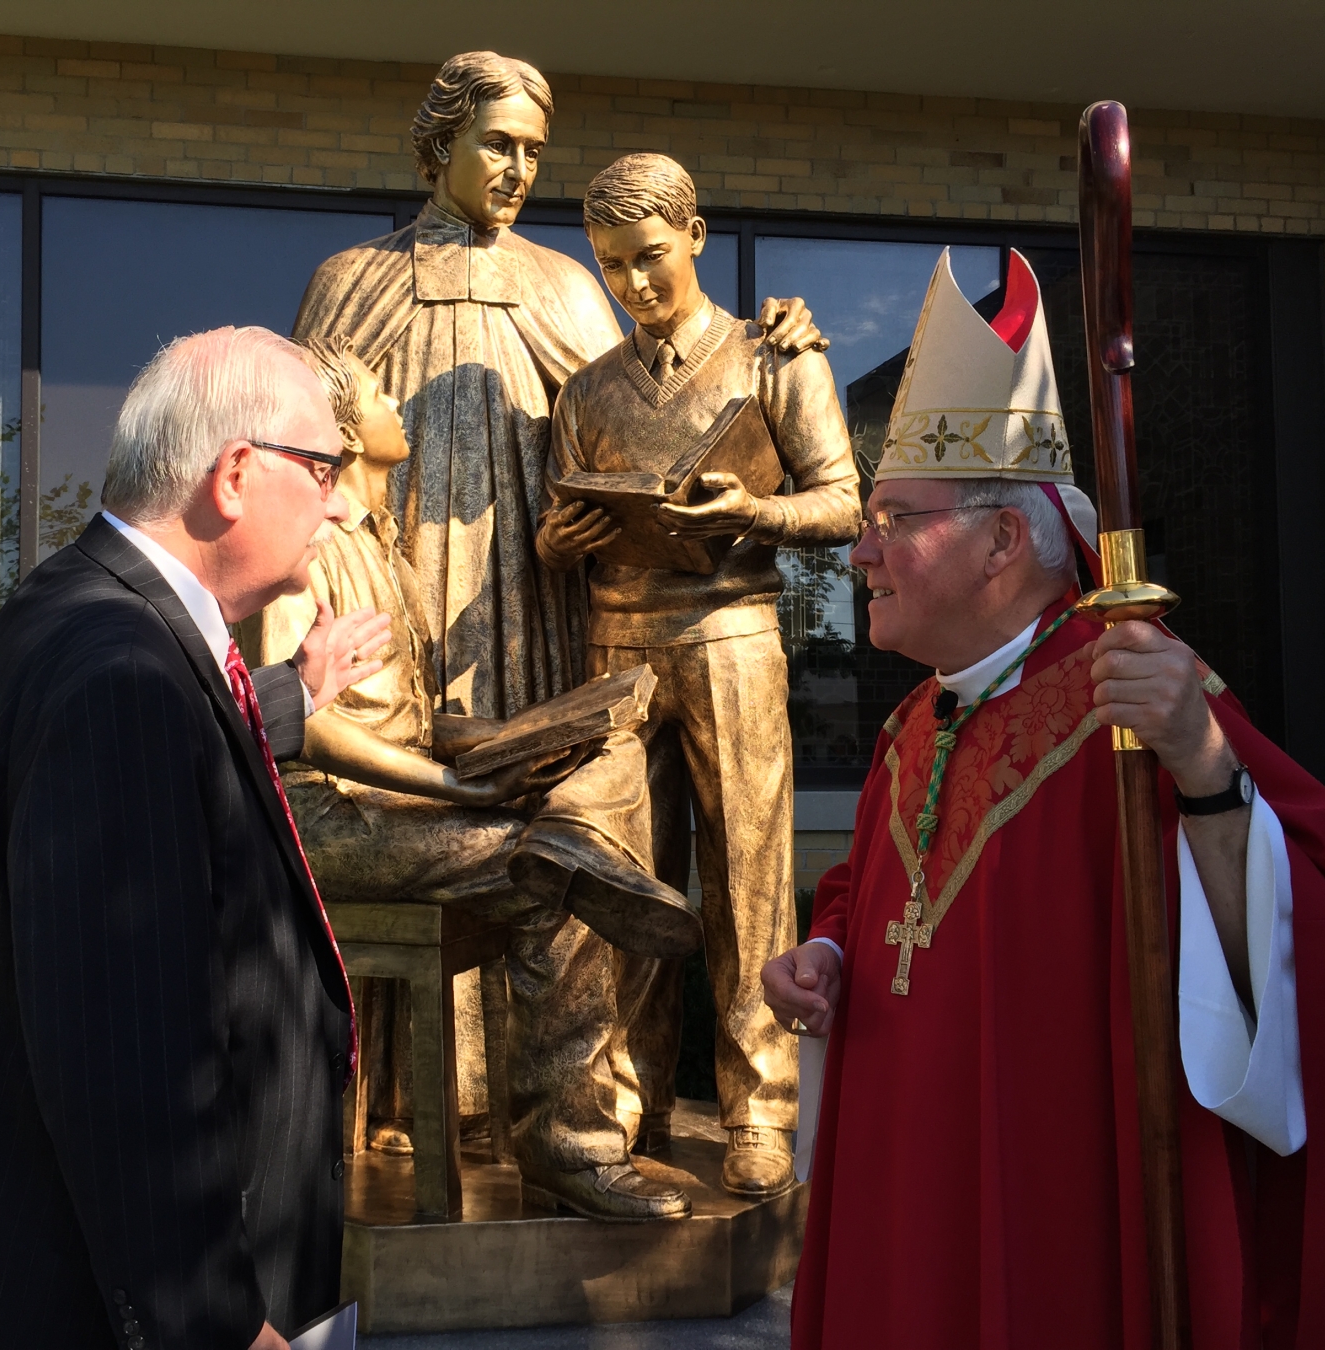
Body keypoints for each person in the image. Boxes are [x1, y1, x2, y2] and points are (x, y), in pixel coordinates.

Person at [761, 248, 1325, 1347]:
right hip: (902, 1214)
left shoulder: (1135, 703)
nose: (859, 551)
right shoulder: (907, 729)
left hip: (1059, 1234)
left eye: (894, 519)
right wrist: (827, 955)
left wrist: (1204, 766)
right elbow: (870, 895)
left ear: (1003, 542)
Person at [292, 49, 828, 1132]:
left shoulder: (566, 285)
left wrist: (777, 342)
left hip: (534, 613)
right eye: (500, 142)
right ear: (442, 142)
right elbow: (311, 446)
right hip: (386, 597)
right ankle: (404, 1101)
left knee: (589, 838)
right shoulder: (351, 280)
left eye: (536, 150)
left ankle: (559, 1103)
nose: (519, 168)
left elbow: (648, 407)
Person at [0, 327, 392, 1350]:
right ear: (235, 474)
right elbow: (125, 1069)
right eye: (324, 468)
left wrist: (297, 692)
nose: (344, 503)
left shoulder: (84, 608)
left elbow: (184, 739)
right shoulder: (121, 680)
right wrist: (218, 1324)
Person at [251, 336, 700, 1219]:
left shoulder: (385, 549)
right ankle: (566, 1147)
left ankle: (582, 838)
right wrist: (452, 789)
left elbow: (407, 719)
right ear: (346, 424)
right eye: (382, 390)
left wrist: (522, 738)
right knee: (555, 879)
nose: (398, 405)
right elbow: (302, 722)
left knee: (606, 747)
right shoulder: (301, 551)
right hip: (332, 818)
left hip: (406, 792)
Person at [536, 153, 861, 1200]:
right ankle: (619, 1110)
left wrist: (756, 515)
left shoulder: (775, 359)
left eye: (652, 257)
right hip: (616, 645)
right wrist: (562, 538)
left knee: (750, 873)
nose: (634, 282)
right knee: (621, 882)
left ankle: (760, 1109)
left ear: (699, 235)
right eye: (613, 262)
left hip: (731, 633)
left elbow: (845, 504)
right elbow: (555, 530)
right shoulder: (584, 390)